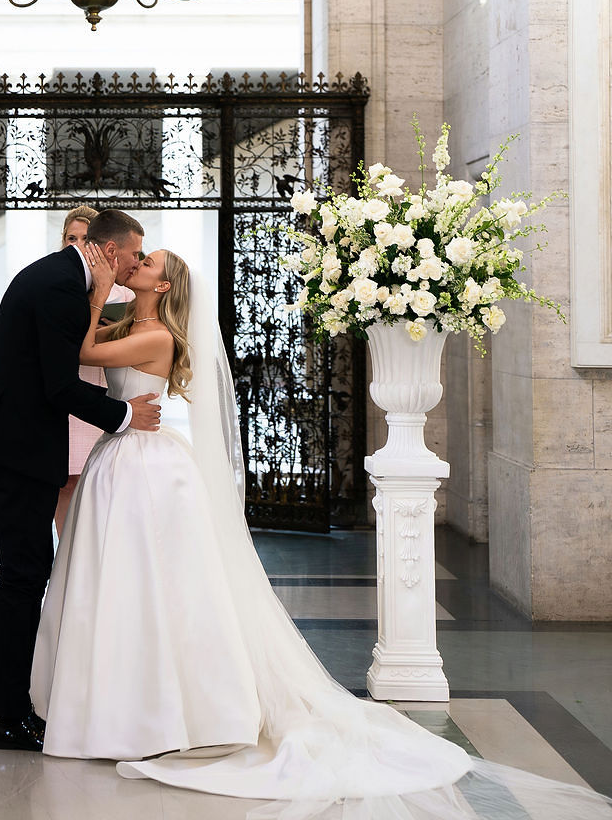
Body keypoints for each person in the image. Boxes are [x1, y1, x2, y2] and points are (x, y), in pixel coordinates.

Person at [31, 246, 612, 820]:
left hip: (147, 464)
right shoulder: (129, 323)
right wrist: (101, 302)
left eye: (147, 263)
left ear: (163, 285)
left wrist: (99, 290)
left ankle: (166, 708)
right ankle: (112, 696)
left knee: (158, 580)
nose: (136, 264)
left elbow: (82, 351)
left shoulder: (157, 336)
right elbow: (82, 351)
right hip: (118, 455)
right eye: (137, 259)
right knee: (117, 579)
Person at [0, 208, 158, 754]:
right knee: (23, 576)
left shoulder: (64, 277)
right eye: (134, 253)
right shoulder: (62, 286)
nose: (137, 262)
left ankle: (17, 708)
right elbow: (60, 385)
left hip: (17, 437)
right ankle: (11, 717)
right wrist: (124, 415)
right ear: (111, 252)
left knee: (27, 571)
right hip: (17, 444)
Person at [55, 204, 134, 539]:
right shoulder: (61, 286)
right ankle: (67, 554)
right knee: (66, 482)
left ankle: (98, 550)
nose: (77, 244)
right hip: (68, 393)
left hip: (103, 391)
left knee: (101, 482)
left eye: (84, 238)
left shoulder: (123, 293)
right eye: (70, 238)